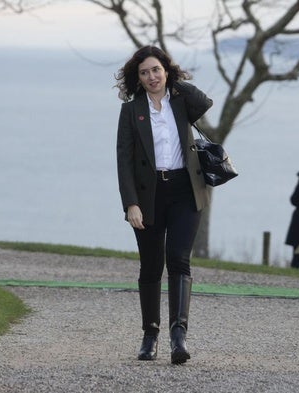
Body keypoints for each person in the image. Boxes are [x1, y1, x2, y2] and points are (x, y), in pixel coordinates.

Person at [115, 45, 213, 364]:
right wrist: (131, 203)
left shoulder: (181, 100)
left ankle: (178, 336)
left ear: (165, 70)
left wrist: (175, 80)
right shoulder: (131, 110)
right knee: (151, 265)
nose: (151, 76)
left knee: (179, 260)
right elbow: (124, 162)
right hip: (149, 195)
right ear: (138, 78)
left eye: (156, 70)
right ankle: (150, 335)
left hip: (186, 190)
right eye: (144, 72)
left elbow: (205, 101)